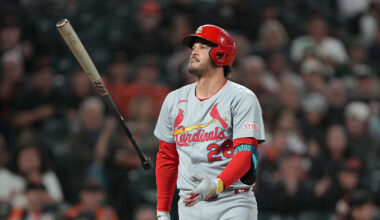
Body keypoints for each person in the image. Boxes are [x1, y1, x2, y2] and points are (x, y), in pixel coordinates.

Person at [154, 25, 266, 220]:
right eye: (194, 47)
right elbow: (167, 157)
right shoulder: (173, 100)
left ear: (221, 55)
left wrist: (217, 184)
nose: (194, 51)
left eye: (203, 47)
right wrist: (162, 210)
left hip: (232, 201)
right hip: (189, 203)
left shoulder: (241, 98)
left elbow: (245, 153)